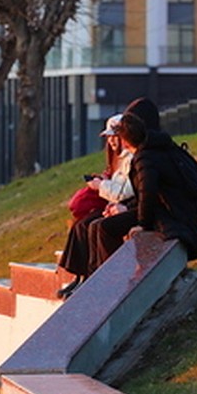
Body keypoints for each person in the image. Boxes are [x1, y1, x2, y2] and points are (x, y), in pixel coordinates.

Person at [88, 96, 197, 271]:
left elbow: (148, 193)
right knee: (97, 226)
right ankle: (101, 279)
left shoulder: (146, 156)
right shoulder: (160, 147)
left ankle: (115, 280)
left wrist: (141, 224)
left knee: (105, 228)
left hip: (171, 218)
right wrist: (126, 208)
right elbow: (147, 191)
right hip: (173, 211)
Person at [55, 114, 133, 299]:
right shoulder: (118, 159)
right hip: (115, 204)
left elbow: (123, 192)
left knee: (92, 225)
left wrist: (100, 186)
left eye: (116, 136)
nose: (112, 141)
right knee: (80, 225)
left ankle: (93, 275)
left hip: (126, 207)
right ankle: (80, 275)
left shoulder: (130, 159)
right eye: (110, 137)